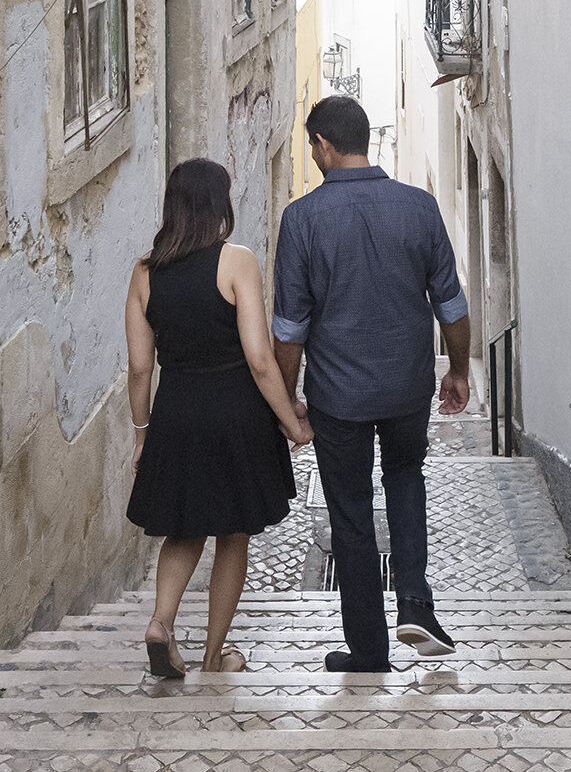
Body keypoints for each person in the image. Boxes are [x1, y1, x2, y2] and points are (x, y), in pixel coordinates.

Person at [272, 95, 472, 672]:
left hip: (338, 398)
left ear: (326, 147)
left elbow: (289, 330)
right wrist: (456, 370)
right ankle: (414, 601)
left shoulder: (303, 220)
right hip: (408, 386)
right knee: (406, 477)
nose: (313, 155)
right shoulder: (419, 208)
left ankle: (368, 650)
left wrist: (288, 401)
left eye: (313, 146)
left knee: (351, 511)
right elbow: (452, 306)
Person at [126, 158, 312, 678]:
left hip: (177, 411)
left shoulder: (145, 273)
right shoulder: (237, 261)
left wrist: (142, 434)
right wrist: (292, 423)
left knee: (182, 529)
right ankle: (213, 655)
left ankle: (161, 624)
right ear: (220, 206)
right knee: (234, 531)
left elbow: (140, 368)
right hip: (236, 414)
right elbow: (258, 357)